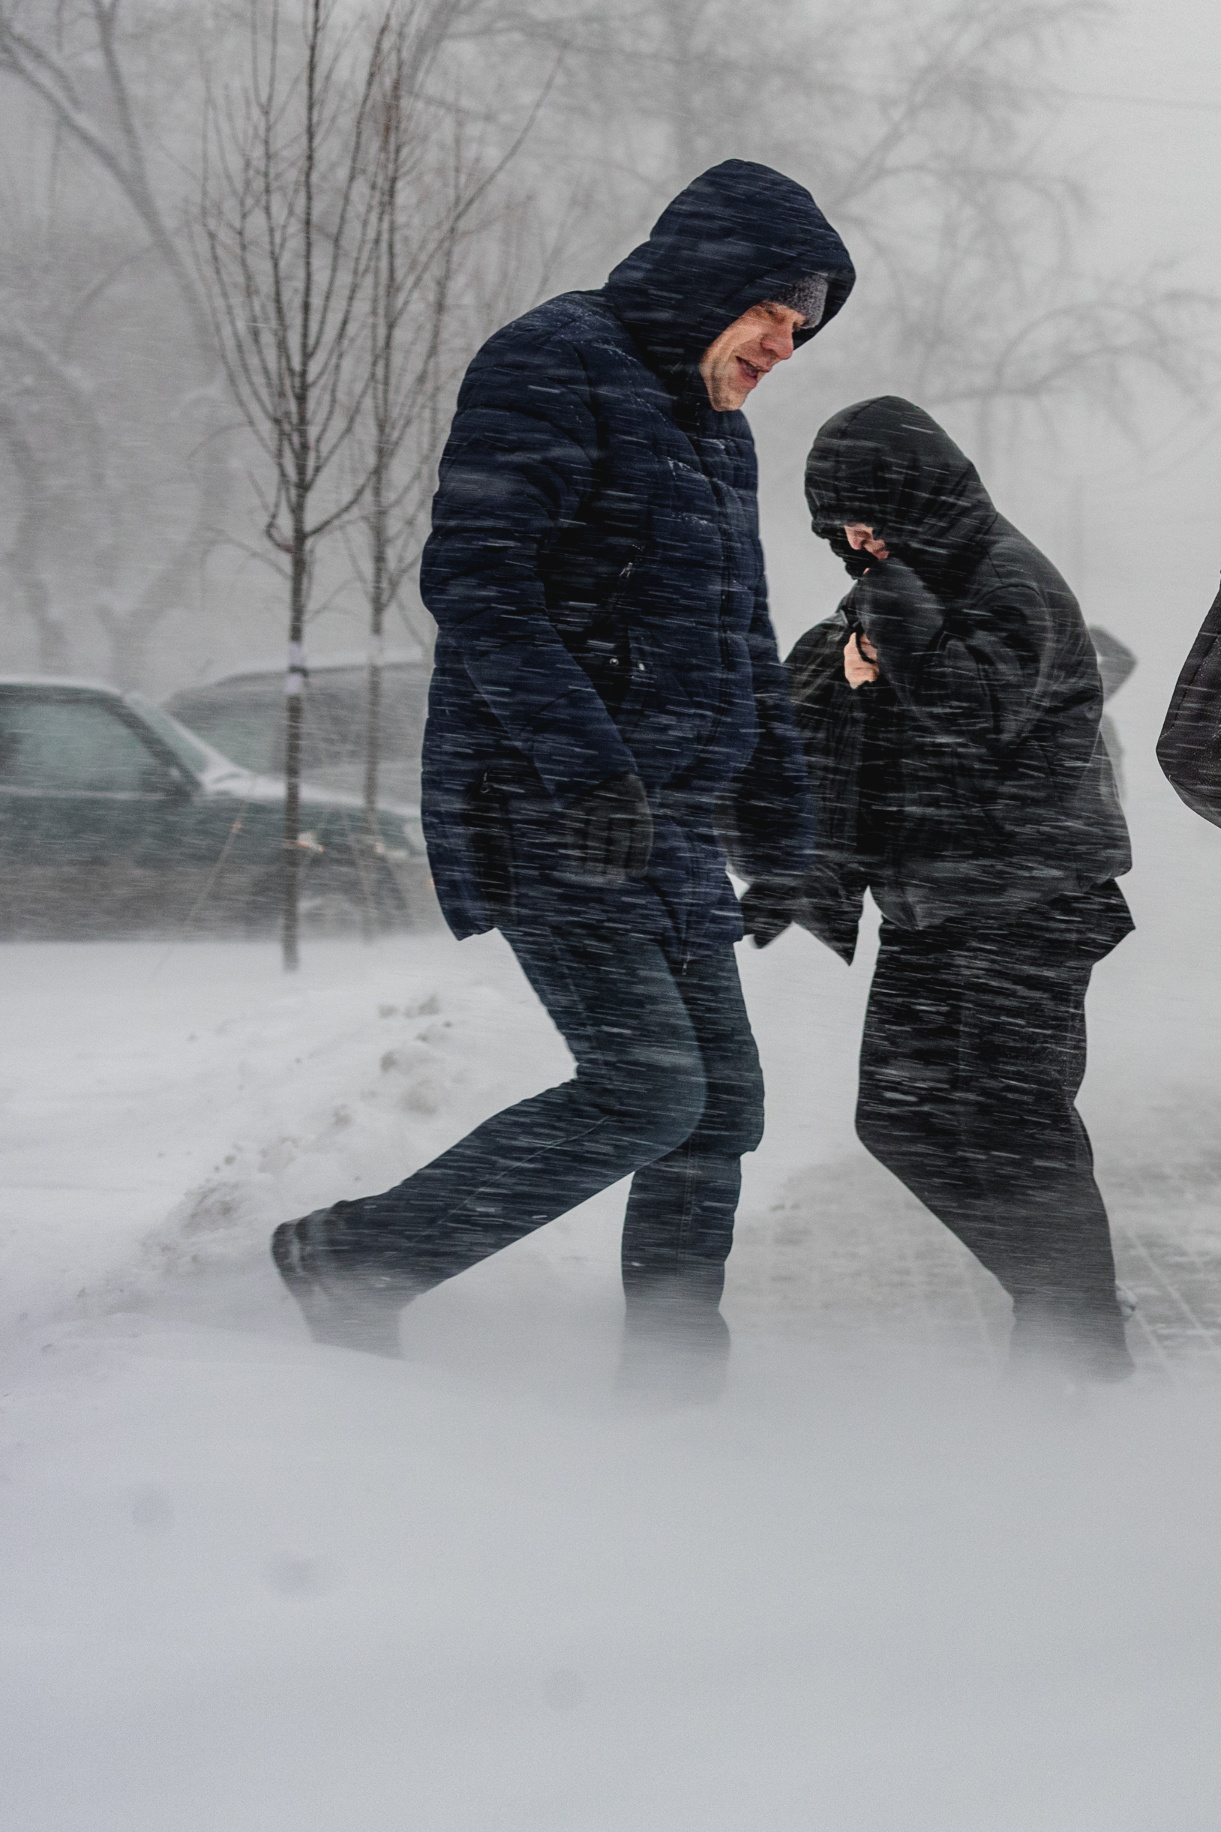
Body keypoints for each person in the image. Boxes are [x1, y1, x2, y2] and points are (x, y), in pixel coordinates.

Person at [269, 160, 849, 1403]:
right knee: (649, 1088)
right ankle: (353, 1257)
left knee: (721, 1103)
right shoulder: (552, 361)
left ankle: (676, 1378)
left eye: (799, 330)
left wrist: (787, 839)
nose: (781, 347)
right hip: (552, 810)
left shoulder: (719, 434)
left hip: (671, 824)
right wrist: (585, 769)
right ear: (711, 282)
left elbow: (744, 641)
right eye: (770, 315)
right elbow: (477, 580)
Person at [745, 397, 1136, 1383]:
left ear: (917, 494)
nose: (855, 540)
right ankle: (1064, 1296)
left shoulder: (1006, 578)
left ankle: (1075, 1341)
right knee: (899, 1117)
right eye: (839, 526)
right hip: (934, 906)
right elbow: (856, 750)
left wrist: (894, 616)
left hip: (1029, 903)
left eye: (865, 515)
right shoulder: (898, 586)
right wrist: (798, 867)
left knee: (1023, 1123)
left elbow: (972, 714)